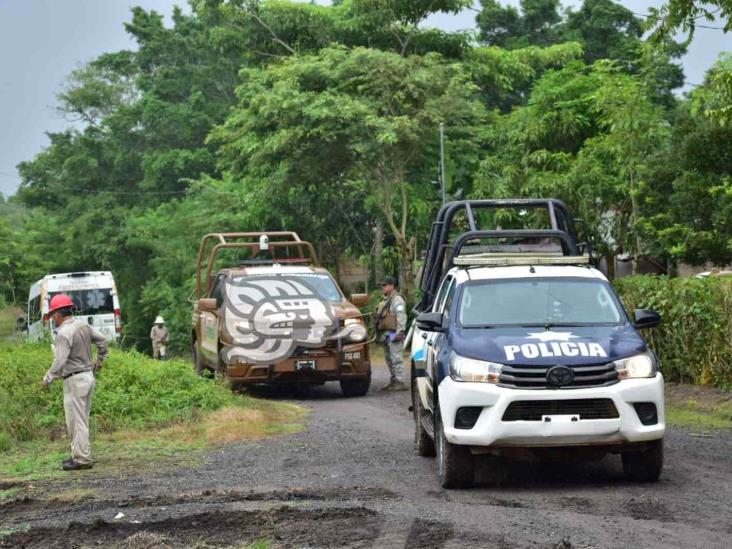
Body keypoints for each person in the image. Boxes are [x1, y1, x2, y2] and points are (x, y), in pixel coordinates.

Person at [42, 294, 108, 471]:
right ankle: (78, 455)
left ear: (58, 313)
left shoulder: (64, 333)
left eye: (53, 314)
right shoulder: (82, 325)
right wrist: (100, 359)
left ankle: (82, 459)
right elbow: (102, 340)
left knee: (75, 420)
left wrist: (48, 378)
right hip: (88, 376)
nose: (53, 318)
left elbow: (60, 360)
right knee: (80, 419)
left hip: (74, 380)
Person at [375, 276, 408, 391]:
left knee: (396, 357)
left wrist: (400, 332)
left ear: (391, 285)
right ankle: (394, 380)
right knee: (389, 358)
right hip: (387, 333)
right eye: (382, 286)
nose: (382, 287)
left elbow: (401, 316)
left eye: (385, 285)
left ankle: (400, 381)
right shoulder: (387, 298)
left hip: (395, 333)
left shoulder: (397, 299)